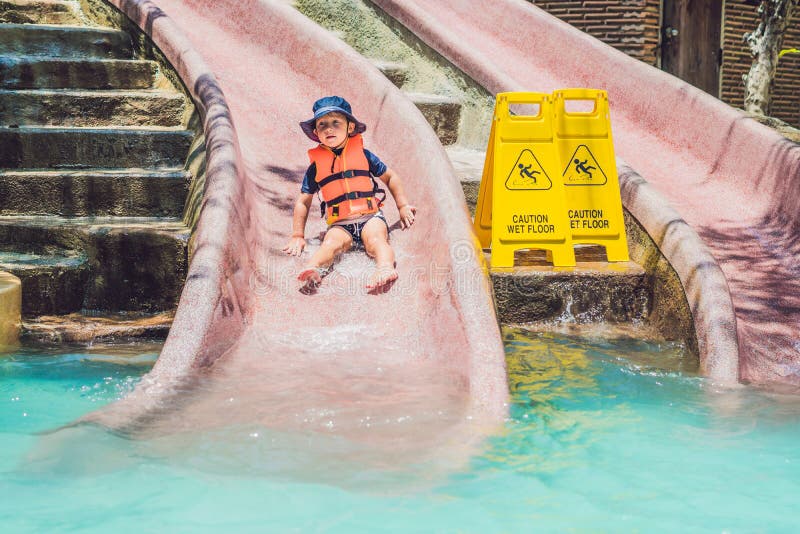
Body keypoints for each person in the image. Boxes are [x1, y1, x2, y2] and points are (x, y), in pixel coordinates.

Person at [282, 96, 417, 293]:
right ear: (316, 132)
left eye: (336, 122)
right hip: (340, 223)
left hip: (370, 217)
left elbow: (390, 177)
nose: (329, 128)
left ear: (350, 128)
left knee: (376, 241)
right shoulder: (316, 168)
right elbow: (303, 202)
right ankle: (314, 268)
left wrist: (403, 206)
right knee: (330, 244)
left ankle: (385, 268)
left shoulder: (364, 155)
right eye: (322, 125)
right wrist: (297, 235)